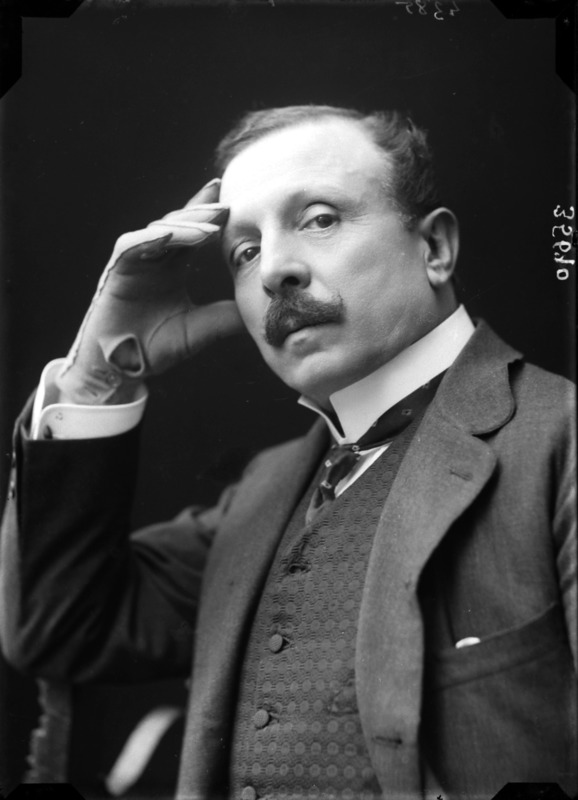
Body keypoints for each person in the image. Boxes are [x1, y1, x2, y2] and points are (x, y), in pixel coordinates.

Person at [0, 105, 575, 800]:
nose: (273, 269)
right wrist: (99, 372)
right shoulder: (264, 493)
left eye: (320, 219)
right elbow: (60, 630)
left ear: (434, 248)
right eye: (244, 252)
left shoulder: (561, 439)